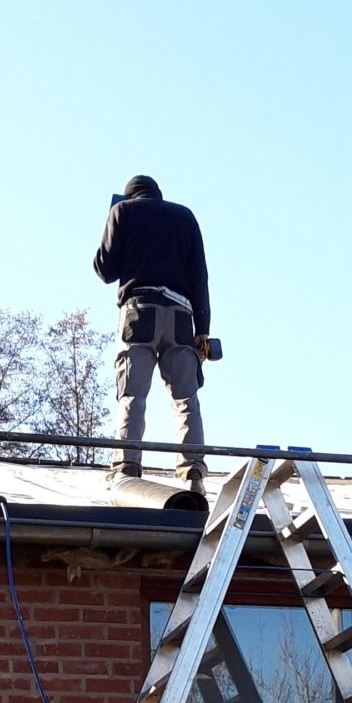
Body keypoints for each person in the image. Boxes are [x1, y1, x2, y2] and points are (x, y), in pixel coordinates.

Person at [94, 175, 211, 503]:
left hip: (138, 313)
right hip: (180, 318)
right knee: (186, 399)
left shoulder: (124, 212)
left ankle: (127, 469)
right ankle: (193, 473)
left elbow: (104, 269)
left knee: (133, 394)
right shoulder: (184, 216)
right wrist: (203, 329)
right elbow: (200, 276)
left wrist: (113, 216)